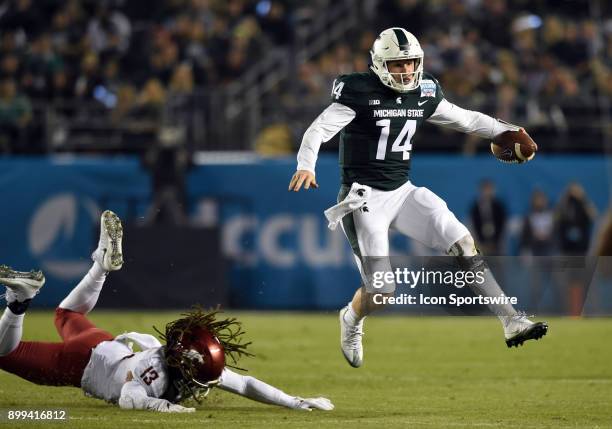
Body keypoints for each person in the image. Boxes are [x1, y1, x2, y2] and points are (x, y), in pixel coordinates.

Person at [288, 27, 548, 367]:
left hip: (403, 191)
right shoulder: (359, 91)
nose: (407, 71)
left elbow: (466, 119)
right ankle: (351, 319)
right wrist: (306, 165)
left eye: (411, 63)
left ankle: (511, 320)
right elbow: (319, 129)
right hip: (363, 197)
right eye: (398, 65)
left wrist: (505, 130)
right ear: (380, 65)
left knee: (463, 243)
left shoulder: (424, 91)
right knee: (381, 292)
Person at [0, 210, 333, 413]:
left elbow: (244, 385)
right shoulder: (158, 374)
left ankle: (100, 267)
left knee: (66, 316)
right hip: (82, 364)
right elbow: (130, 396)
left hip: (101, 344)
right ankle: (19, 302)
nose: (205, 386)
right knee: (5, 355)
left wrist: (295, 402)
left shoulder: (187, 358)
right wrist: (166, 408)